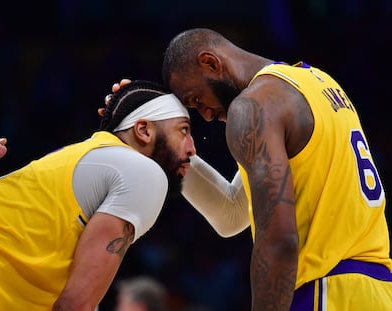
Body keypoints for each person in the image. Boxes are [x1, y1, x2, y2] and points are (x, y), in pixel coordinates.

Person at [158, 28, 392, 310]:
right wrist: (162, 144)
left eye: (196, 99)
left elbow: (279, 242)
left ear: (211, 63)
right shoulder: (316, 83)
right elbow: (232, 213)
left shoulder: (252, 108)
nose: (205, 115)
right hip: (377, 291)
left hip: (323, 292)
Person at [0, 80, 196, 310]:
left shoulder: (82, 157)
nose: (192, 148)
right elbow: (74, 305)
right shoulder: (144, 172)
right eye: (183, 131)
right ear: (143, 131)